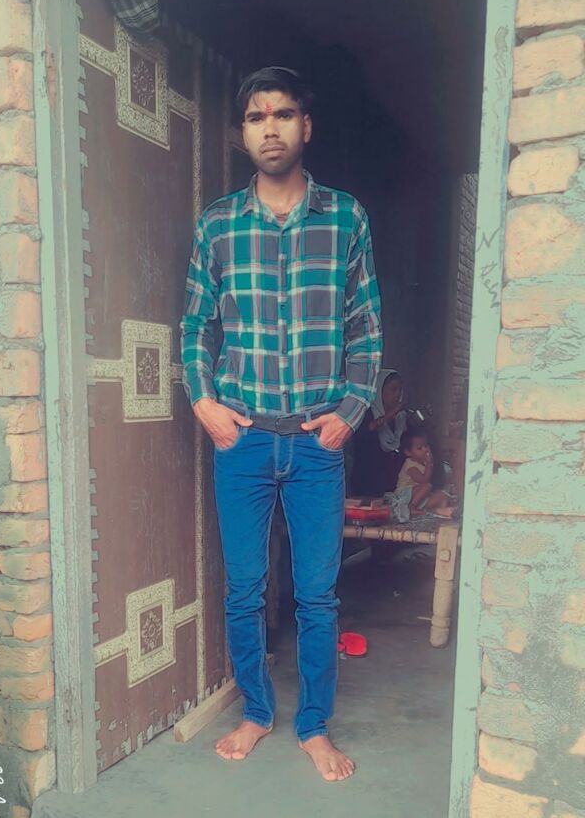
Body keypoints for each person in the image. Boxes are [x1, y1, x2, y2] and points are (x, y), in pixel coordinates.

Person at [180, 66, 382, 782]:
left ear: (306, 126)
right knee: (244, 588)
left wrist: (349, 413)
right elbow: (196, 326)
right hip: (242, 439)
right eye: (256, 116)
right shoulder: (218, 224)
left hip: (317, 442)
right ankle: (257, 712)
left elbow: (366, 327)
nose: (271, 127)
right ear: (242, 133)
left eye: (284, 114)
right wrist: (204, 402)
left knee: (318, 594)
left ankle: (314, 725)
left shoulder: (345, 218)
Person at [351, 369, 406, 496]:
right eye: (393, 389)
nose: (397, 395)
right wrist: (390, 414)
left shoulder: (401, 417)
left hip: (391, 482)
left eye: (400, 390)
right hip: (366, 481)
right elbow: (367, 430)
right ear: (379, 390)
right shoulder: (367, 412)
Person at [396, 427, 454, 515]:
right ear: (408, 452)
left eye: (426, 446)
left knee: (441, 494)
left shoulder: (423, 462)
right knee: (428, 486)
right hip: (404, 495)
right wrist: (429, 465)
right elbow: (424, 480)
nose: (425, 450)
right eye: (420, 448)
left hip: (418, 495)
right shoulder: (410, 465)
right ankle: (411, 507)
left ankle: (435, 509)